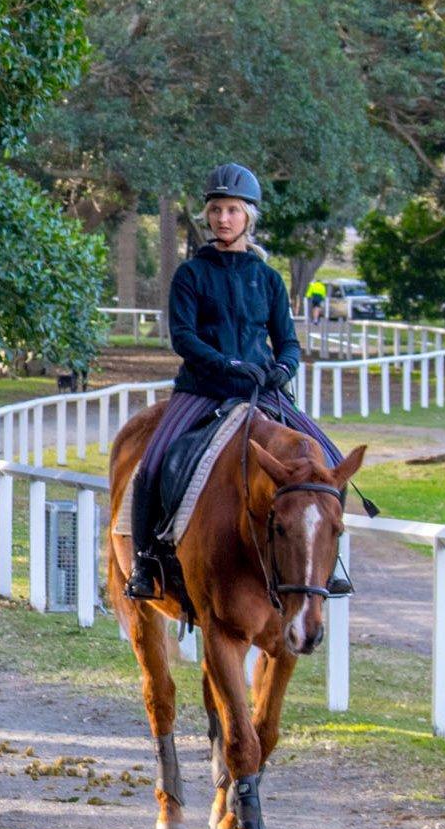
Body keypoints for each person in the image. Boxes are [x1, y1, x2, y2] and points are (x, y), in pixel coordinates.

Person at [123, 164, 353, 602]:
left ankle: (329, 563)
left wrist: (282, 369)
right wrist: (228, 365)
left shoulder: (267, 278)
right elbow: (184, 338)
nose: (222, 219)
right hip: (203, 389)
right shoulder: (191, 275)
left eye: (231, 210)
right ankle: (144, 562)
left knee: (334, 462)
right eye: (215, 210)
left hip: (262, 390)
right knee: (151, 465)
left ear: (249, 216)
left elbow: (287, 341)